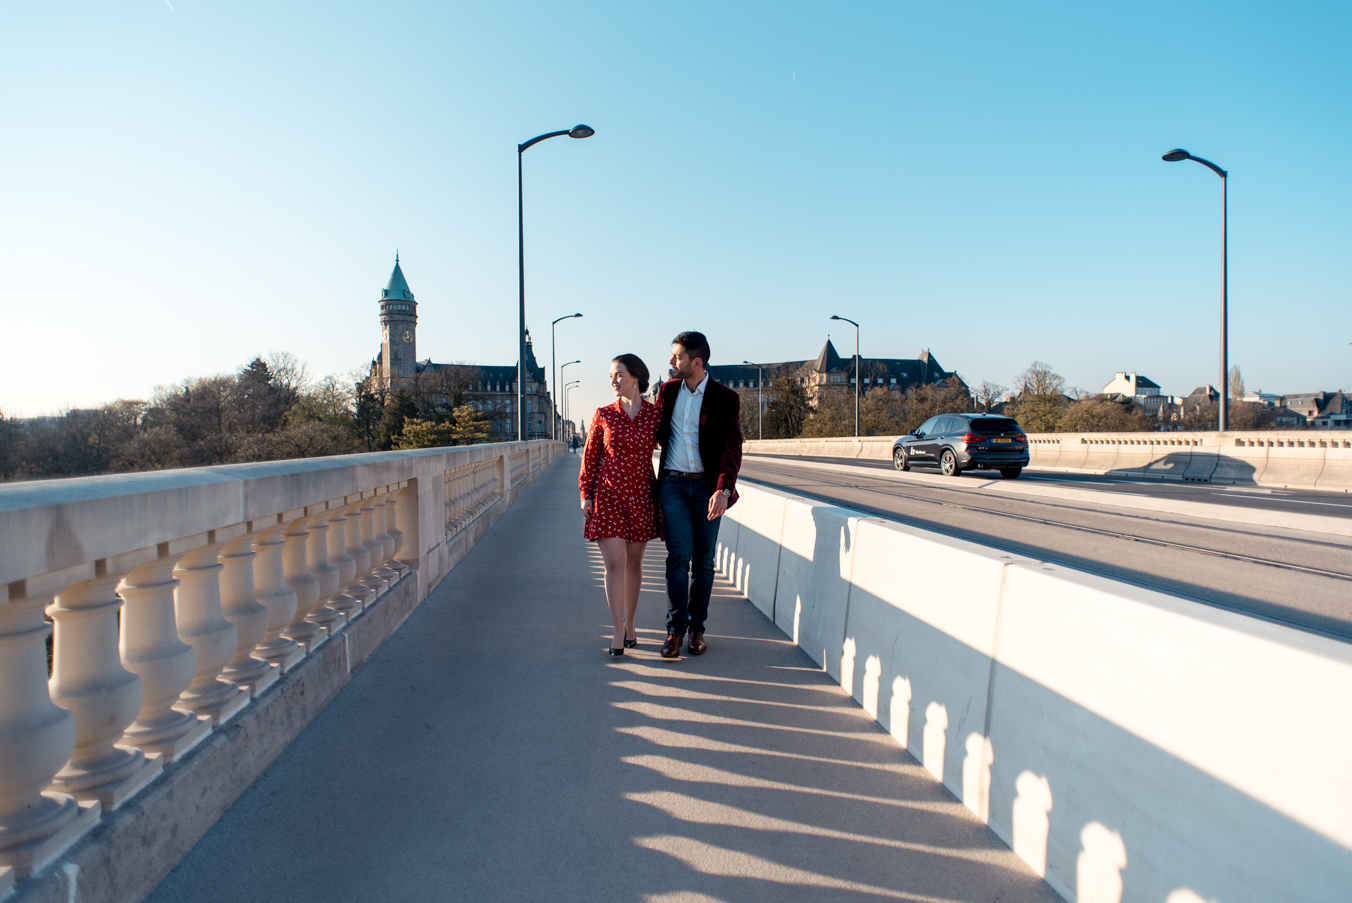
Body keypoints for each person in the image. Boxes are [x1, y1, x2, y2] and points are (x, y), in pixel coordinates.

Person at [654, 331, 743, 659]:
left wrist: (723, 489)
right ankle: (674, 631)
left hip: (708, 487)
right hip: (673, 485)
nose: (670, 362)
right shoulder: (667, 392)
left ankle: (697, 630)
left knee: (703, 561)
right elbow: (649, 432)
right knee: (678, 557)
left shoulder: (725, 398)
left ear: (696, 362)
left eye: (676, 357)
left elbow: (731, 448)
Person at [578, 354, 662, 656]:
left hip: (640, 495)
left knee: (634, 564)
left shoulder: (655, 415)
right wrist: (585, 493)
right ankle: (616, 630)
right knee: (614, 562)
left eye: (619, 375)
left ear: (635, 378)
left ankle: (631, 624)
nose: (613, 381)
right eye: (611, 376)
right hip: (609, 495)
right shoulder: (603, 414)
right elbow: (589, 458)